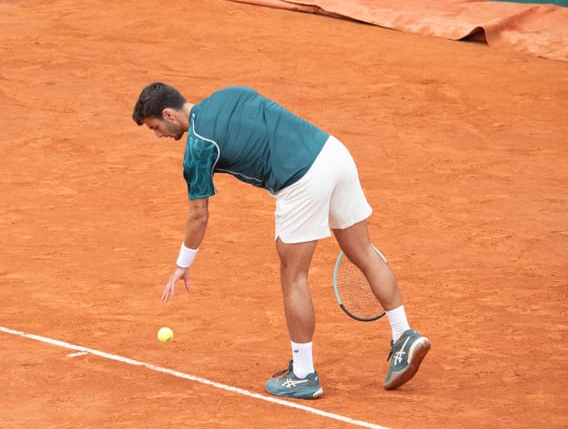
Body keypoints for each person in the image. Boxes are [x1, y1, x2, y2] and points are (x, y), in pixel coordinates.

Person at [132, 83, 431, 400]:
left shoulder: (198, 147)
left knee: (293, 275)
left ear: (168, 113)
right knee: (364, 252)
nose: (159, 135)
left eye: (156, 127)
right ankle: (404, 334)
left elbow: (198, 216)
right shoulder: (229, 93)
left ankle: (303, 374)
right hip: (334, 154)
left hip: (300, 180)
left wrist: (183, 264)